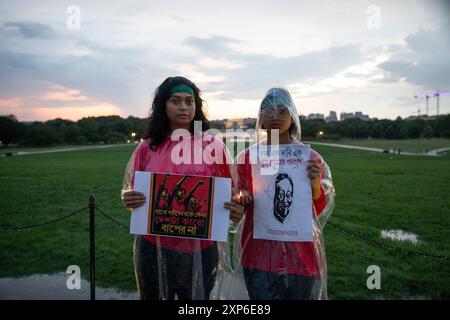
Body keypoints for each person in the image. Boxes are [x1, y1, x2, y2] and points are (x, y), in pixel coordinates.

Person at [121, 76, 244, 300]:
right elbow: (134, 191)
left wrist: (236, 207)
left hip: (201, 248)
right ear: (162, 105)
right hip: (154, 247)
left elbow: (231, 191)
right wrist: (130, 199)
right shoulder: (147, 148)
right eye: (175, 101)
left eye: (189, 101)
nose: (183, 107)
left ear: (196, 107)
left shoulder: (212, 145)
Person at [234, 87, 336, 300]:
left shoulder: (309, 159)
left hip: (301, 258)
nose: (275, 117)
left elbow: (316, 212)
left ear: (293, 116)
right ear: (260, 118)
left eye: (282, 111)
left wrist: (316, 185)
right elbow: (236, 207)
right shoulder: (248, 158)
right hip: (257, 257)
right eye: (268, 111)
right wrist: (242, 199)